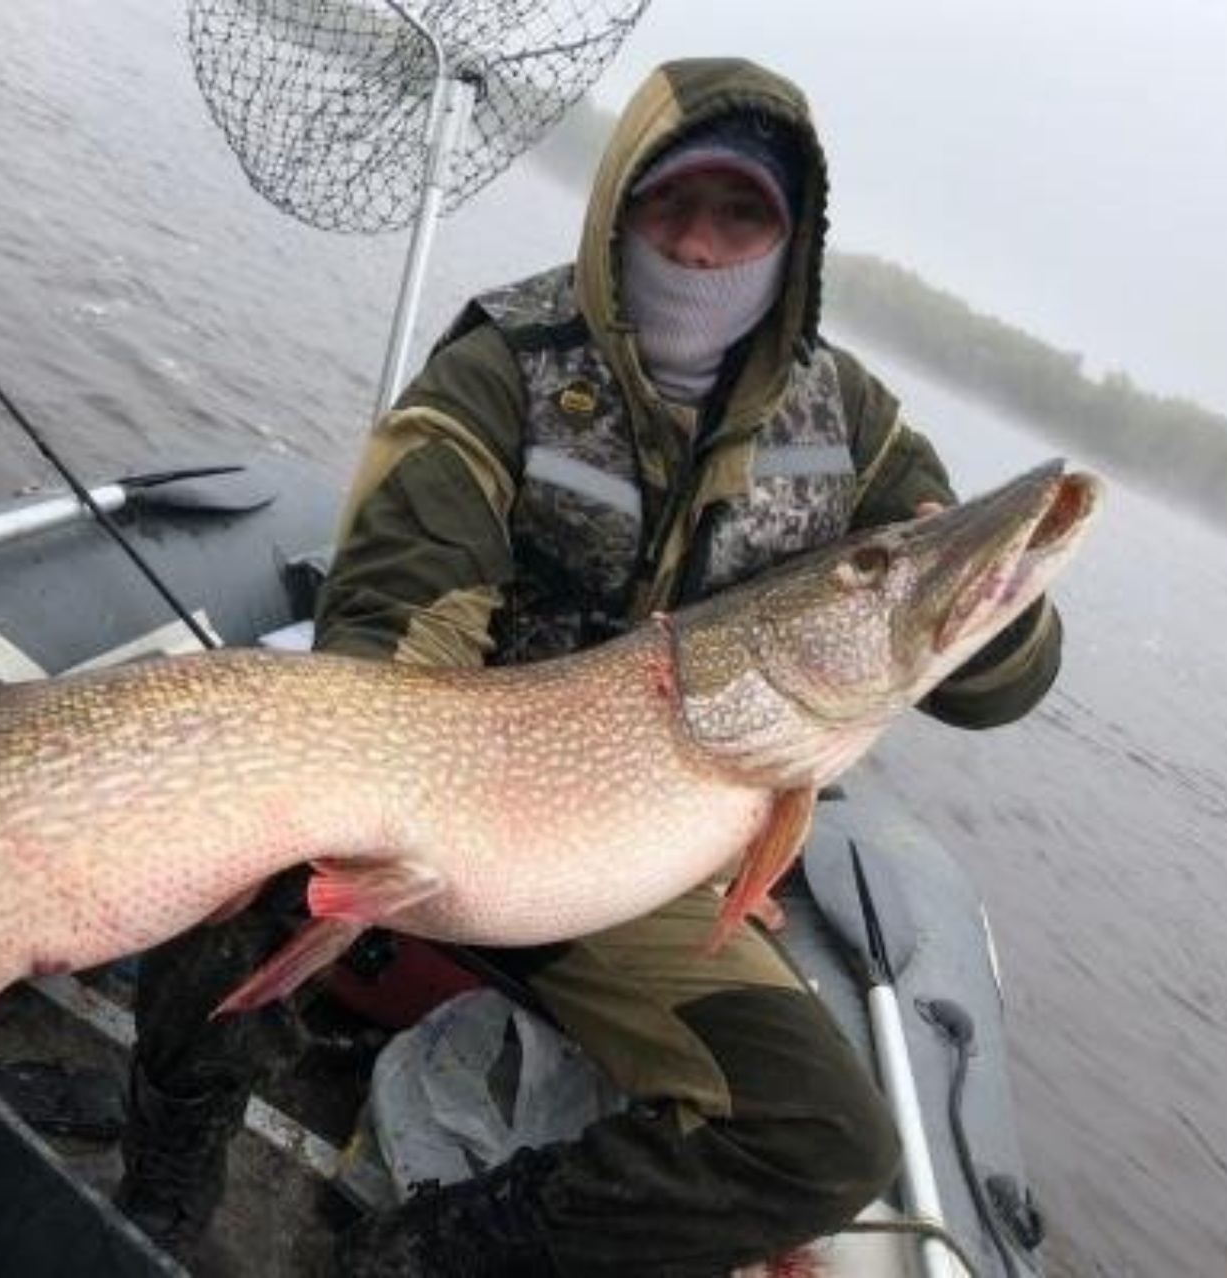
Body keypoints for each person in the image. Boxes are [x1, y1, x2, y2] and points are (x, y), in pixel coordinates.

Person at [116, 57, 1063, 1275]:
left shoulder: (853, 426)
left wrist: (996, 596)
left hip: (648, 845)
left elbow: (998, 687)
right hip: (446, 782)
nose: (703, 244)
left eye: (743, 214)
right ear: (619, 209)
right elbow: (402, 611)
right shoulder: (502, 365)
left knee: (824, 1143)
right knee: (221, 872)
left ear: (795, 239)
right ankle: (165, 1187)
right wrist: (408, 779)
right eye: (674, 204)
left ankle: (420, 1255)